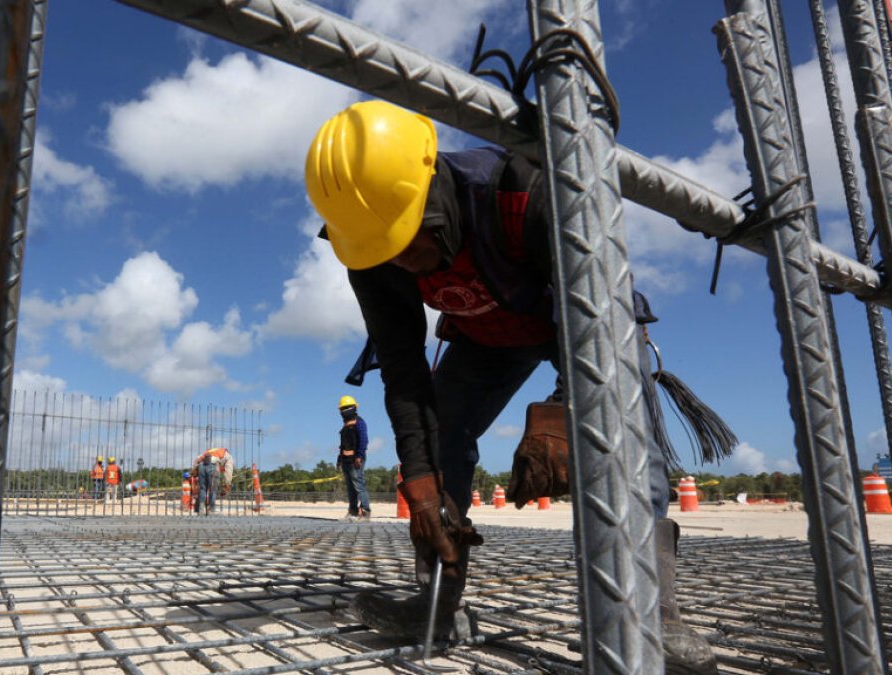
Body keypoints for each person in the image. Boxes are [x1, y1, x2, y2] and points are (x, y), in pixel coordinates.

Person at [305, 100, 716, 673]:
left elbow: (600, 316)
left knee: (626, 435)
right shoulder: (370, 247)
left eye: (413, 238)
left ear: (432, 181)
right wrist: (421, 485)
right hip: (488, 334)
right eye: (388, 251)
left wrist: (566, 409)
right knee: (440, 433)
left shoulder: (524, 191)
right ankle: (437, 602)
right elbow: (403, 369)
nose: (406, 263)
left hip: (582, 320)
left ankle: (654, 612)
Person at [336, 395, 371, 520]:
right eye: (342, 409)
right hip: (345, 460)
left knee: (359, 485)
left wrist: (359, 456)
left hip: (355, 459)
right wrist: (339, 460)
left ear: (354, 408)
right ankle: (353, 511)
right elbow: (343, 445)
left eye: (347, 408)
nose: (344, 411)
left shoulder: (359, 422)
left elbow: (363, 440)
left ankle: (365, 511)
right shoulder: (345, 426)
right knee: (351, 487)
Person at [192, 447, 234, 515]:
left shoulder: (211, 451)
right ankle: (211, 509)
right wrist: (227, 484)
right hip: (213, 466)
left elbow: (198, 459)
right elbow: (229, 471)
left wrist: (194, 468)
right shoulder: (228, 456)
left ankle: (201, 510)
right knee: (213, 489)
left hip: (201, 465)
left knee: (203, 489)